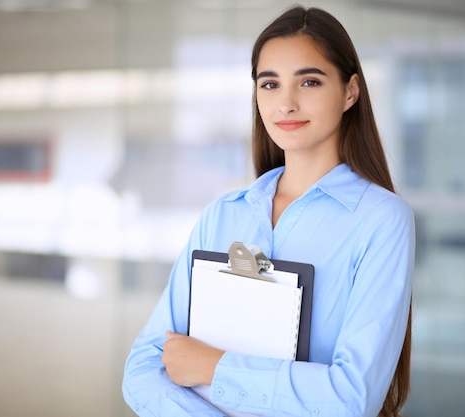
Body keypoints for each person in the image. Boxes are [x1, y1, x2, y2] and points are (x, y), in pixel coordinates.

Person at [122, 5, 414, 417]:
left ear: (350, 91)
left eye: (309, 81)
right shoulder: (222, 215)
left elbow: (350, 399)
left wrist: (213, 365)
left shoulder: (382, 220)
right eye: (270, 84)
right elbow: (143, 368)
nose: (286, 103)